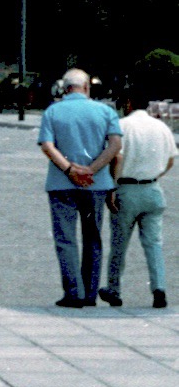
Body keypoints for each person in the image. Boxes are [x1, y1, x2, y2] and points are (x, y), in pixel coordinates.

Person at [38, 68, 122, 308]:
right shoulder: (105, 111)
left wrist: (69, 169)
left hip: (61, 183)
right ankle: (90, 293)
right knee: (93, 238)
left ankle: (73, 292)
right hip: (95, 183)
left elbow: (47, 145)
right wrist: (92, 169)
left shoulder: (53, 111)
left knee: (66, 239)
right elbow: (115, 145)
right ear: (87, 87)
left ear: (65, 88)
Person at [99, 89, 176, 309]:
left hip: (127, 188)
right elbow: (170, 160)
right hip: (152, 188)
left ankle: (114, 288)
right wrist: (154, 174)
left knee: (119, 243)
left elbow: (117, 157)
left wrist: (111, 187)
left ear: (129, 104)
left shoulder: (122, 126)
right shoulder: (162, 128)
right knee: (154, 243)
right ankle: (159, 288)